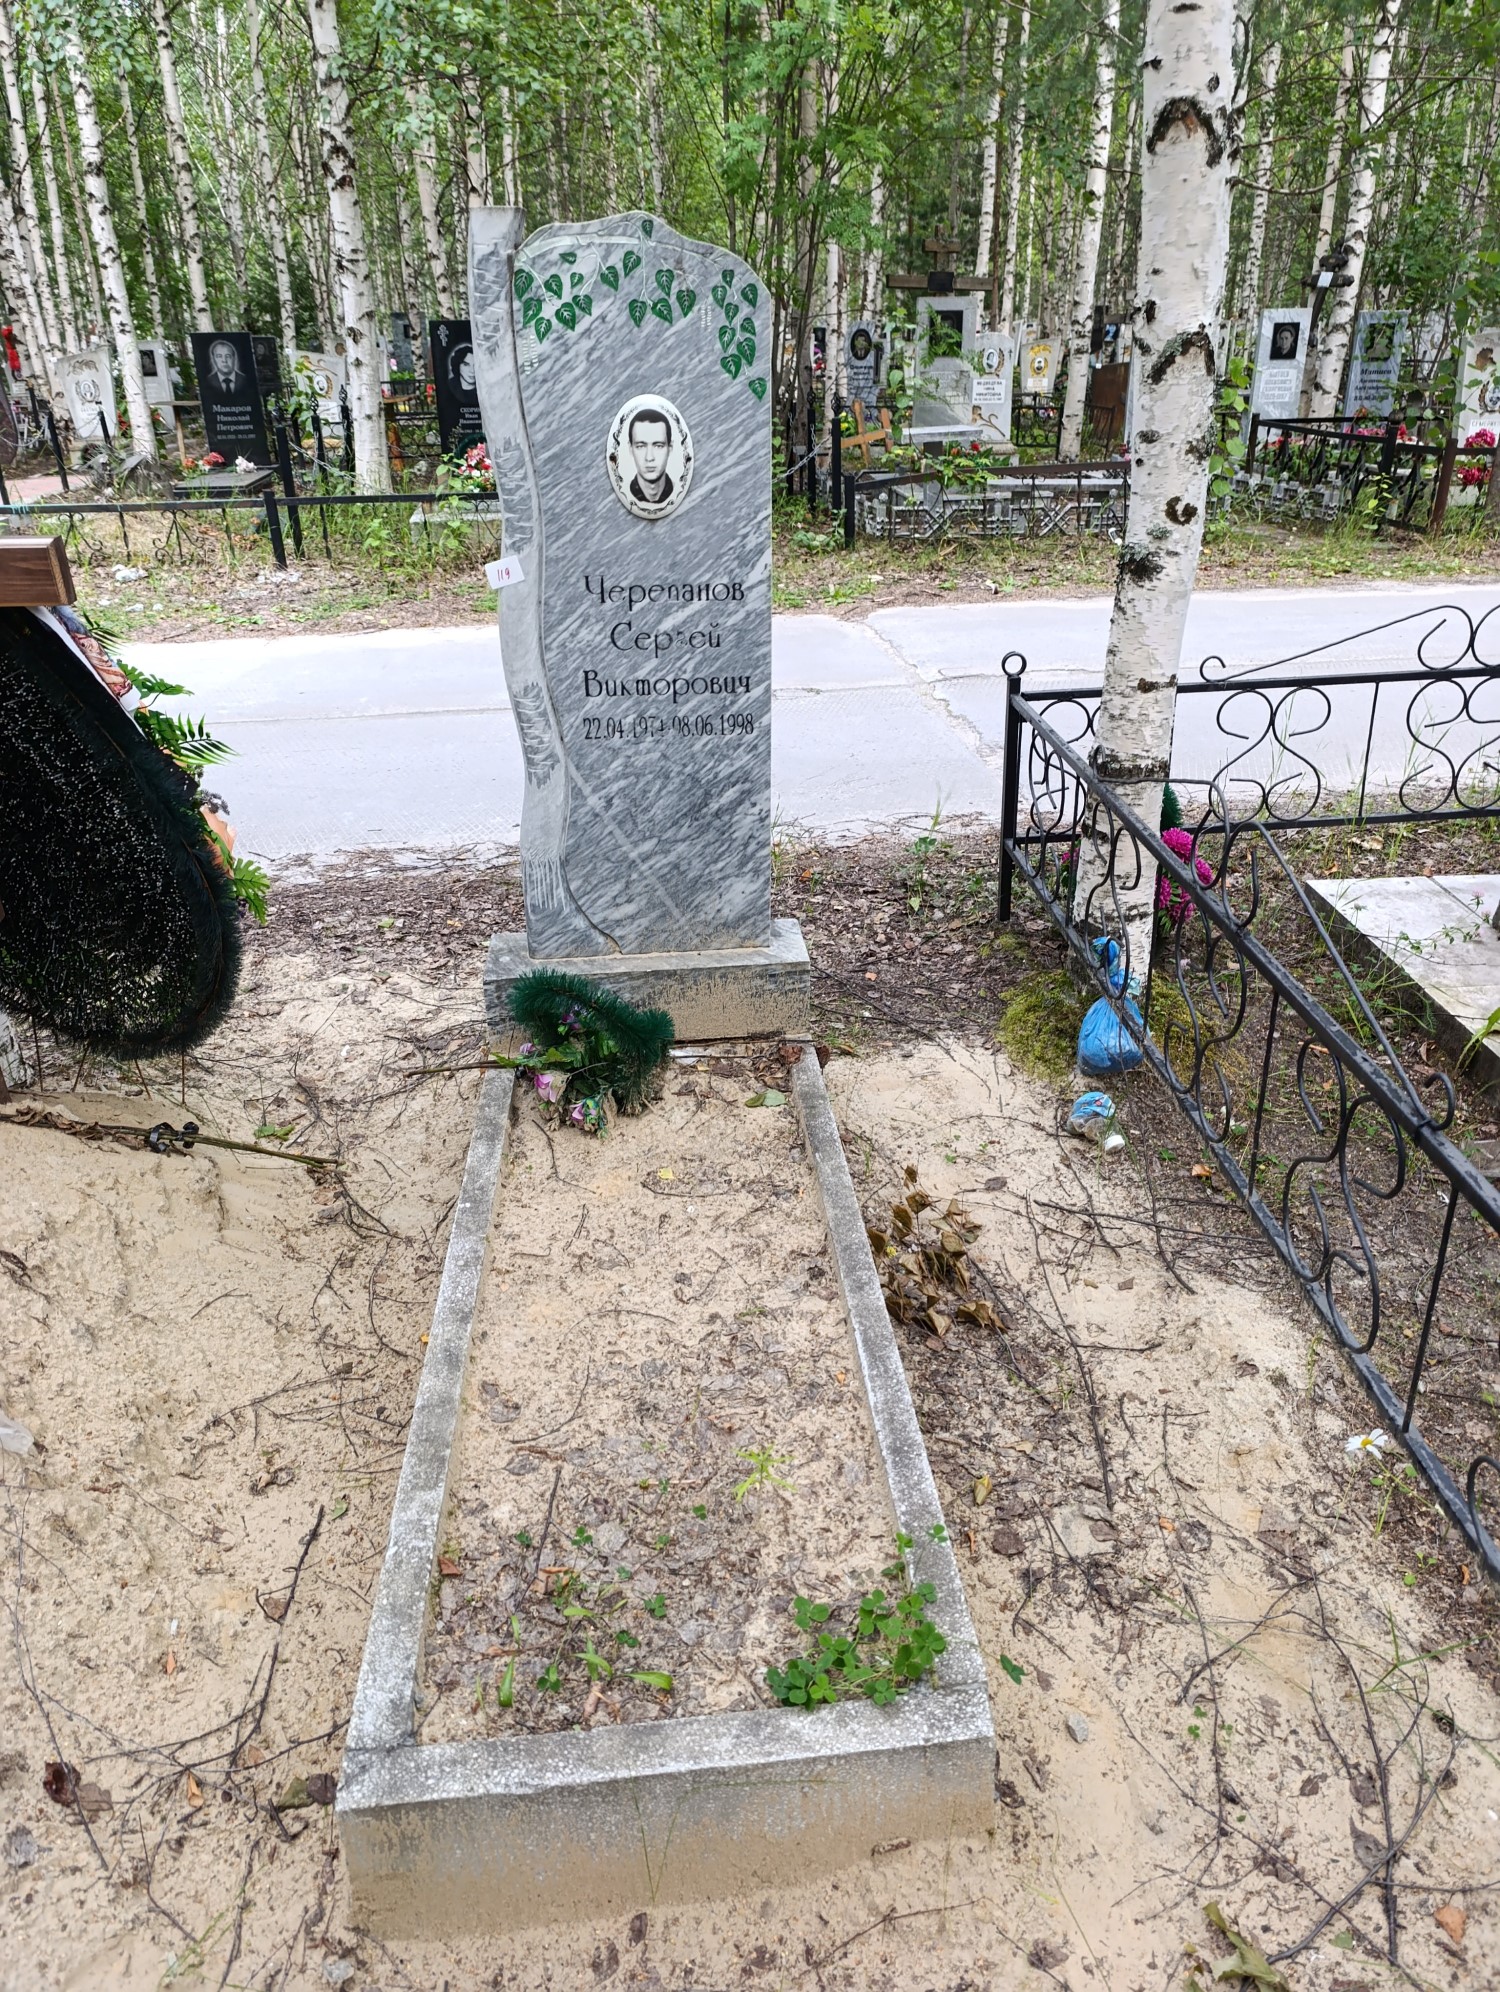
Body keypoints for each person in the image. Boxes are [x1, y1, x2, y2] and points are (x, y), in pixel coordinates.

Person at [627, 407, 674, 507]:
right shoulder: (624, 494)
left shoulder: (678, 491)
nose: (649, 457)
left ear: (670, 448)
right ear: (631, 449)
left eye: (658, 446)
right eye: (640, 446)